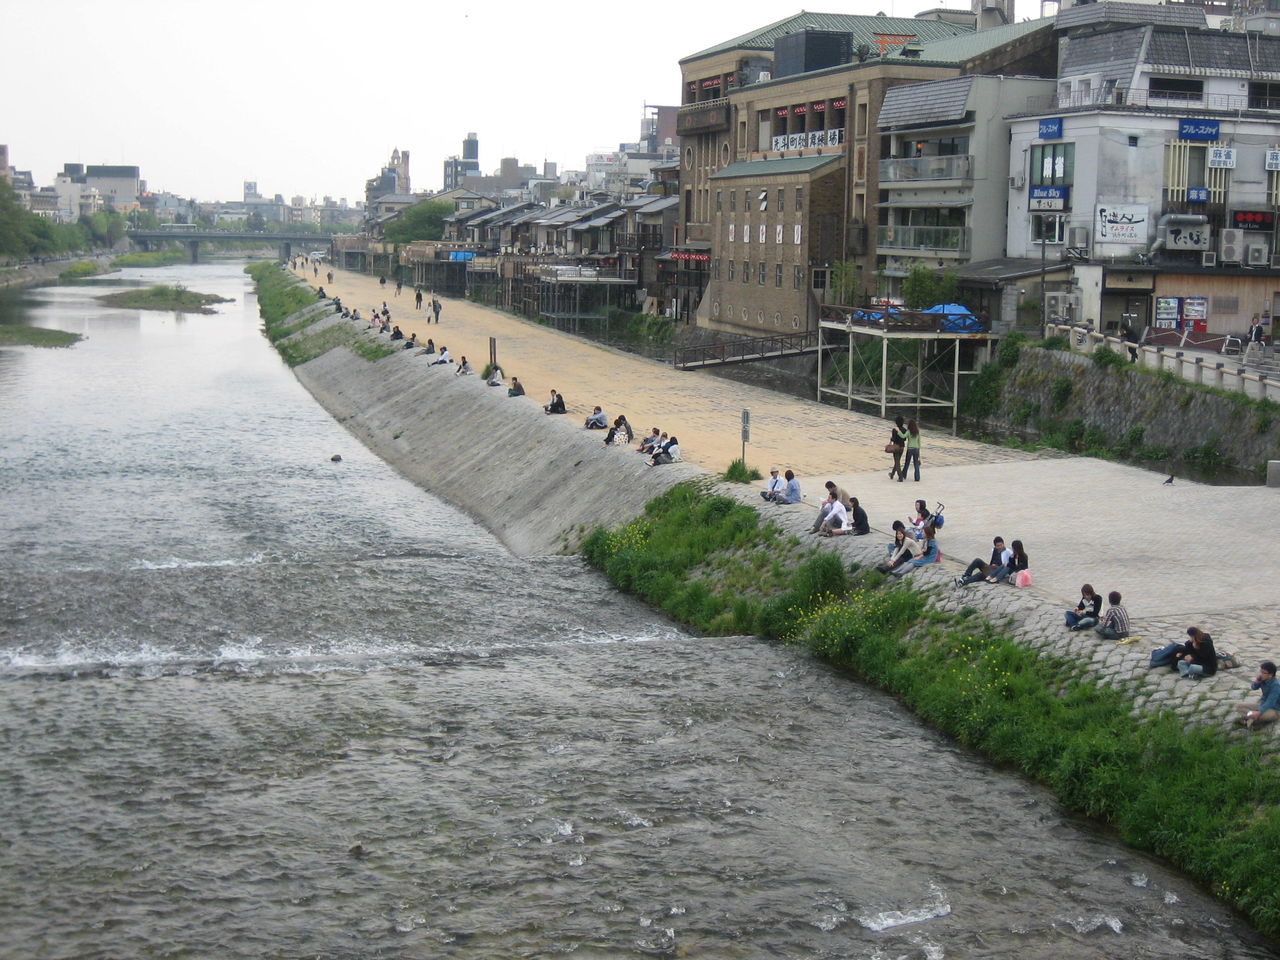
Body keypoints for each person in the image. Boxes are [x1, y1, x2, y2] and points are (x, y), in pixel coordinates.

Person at [1235, 661, 1280, 729]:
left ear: (1270, 675)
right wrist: (1257, 681)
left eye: (1263, 673)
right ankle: (1252, 719)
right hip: (1262, 704)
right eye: (1260, 671)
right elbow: (1254, 687)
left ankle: (1249, 720)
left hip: (1275, 709)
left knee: (1263, 715)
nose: (1260, 674)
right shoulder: (1263, 679)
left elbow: (1270, 702)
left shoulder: (1276, 685)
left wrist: (1259, 712)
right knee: (1239, 706)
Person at [887, 415, 908, 480]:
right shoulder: (904, 429)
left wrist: (891, 440)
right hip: (902, 447)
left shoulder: (894, 429)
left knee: (897, 462)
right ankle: (892, 474)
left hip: (896, 447)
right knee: (897, 461)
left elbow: (893, 439)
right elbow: (904, 439)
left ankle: (900, 476)